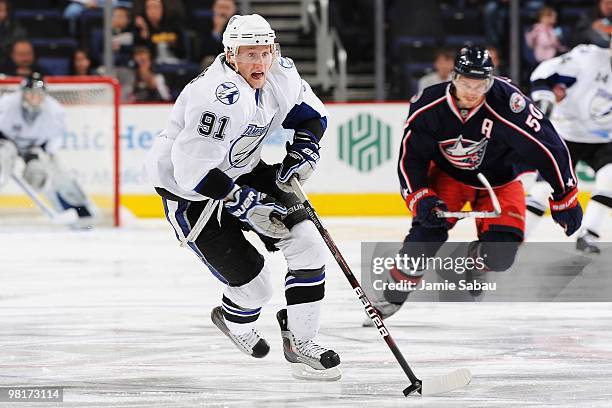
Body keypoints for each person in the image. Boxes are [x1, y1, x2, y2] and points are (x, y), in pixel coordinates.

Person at [145, 14, 341, 380]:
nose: (261, 62)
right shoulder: (217, 98)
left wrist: (304, 148)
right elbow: (191, 171)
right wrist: (244, 203)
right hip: (192, 195)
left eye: (265, 52)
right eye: (250, 54)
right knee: (256, 289)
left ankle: (302, 341)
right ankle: (233, 319)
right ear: (230, 55)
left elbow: (312, 116)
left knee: (309, 245)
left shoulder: (278, 72)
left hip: (245, 169)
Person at [366, 46, 582, 323]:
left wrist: (565, 196)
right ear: (453, 78)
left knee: (501, 255)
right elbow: (411, 159)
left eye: (481, 84)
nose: (472, 91)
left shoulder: (509, 103)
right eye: (466, 83)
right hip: (448, 176)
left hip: (501, 182)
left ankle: (476, 259)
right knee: (426, 233)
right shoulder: (428, 105)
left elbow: (549, 146)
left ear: (490, 81)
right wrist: (420, 197)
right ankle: (392, 296)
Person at [526, 41, 612, 253]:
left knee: (611, 178)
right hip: (566, 133)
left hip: (605, 138)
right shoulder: (589, 57)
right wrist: (544, 97)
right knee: (544, 189)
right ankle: (514, 237)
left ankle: (588, 234)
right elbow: (544, 73)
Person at [0, 73, 95, 227]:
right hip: (6, 143)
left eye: (39, 94)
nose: (34, 98)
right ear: (22, 93)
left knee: (41, 176)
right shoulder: (6, 104)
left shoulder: (54, 111)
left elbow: (56, 138)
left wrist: (40, 153)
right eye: (30, 94)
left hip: (35, 148)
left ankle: (81, 212)